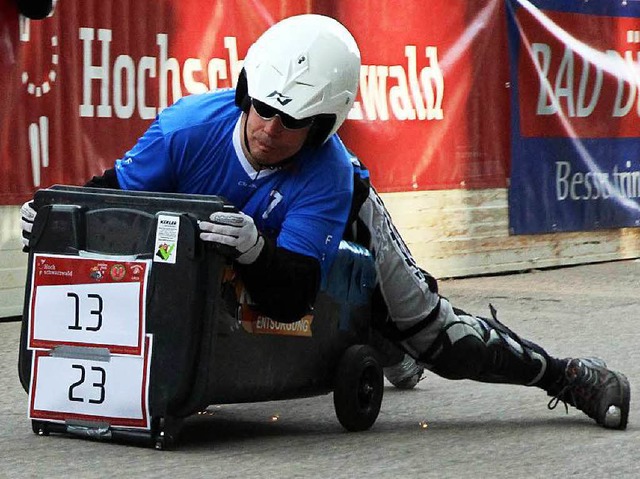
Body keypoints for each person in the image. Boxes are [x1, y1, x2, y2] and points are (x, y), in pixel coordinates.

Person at [21, 14, 630, 429]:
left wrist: (257, 250)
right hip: (266, 234)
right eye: (261, 108)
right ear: (245, 90)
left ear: (324, 126)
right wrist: (51, 221)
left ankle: (566, 375)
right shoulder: (183, 128)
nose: (268, 128)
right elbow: (109, 196)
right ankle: (380, 335)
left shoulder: (329, 173)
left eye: (291, 122)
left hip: (346, 221)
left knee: (430, 334)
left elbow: (291, 298)